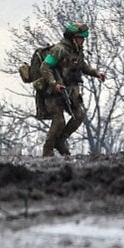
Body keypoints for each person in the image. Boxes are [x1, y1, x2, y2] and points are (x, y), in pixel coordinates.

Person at [38, 23, 106, 157]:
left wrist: (96, 73)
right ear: (73, 38)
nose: (83, 41)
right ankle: (48, 151)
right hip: (54, 92)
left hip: (70, 91)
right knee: (59, 121)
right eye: (81, 38)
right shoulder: (59, 50)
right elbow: (45, 67)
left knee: (79, 116)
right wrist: (53, 84)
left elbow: (82, 66)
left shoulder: (77, 51)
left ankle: (61, 141)